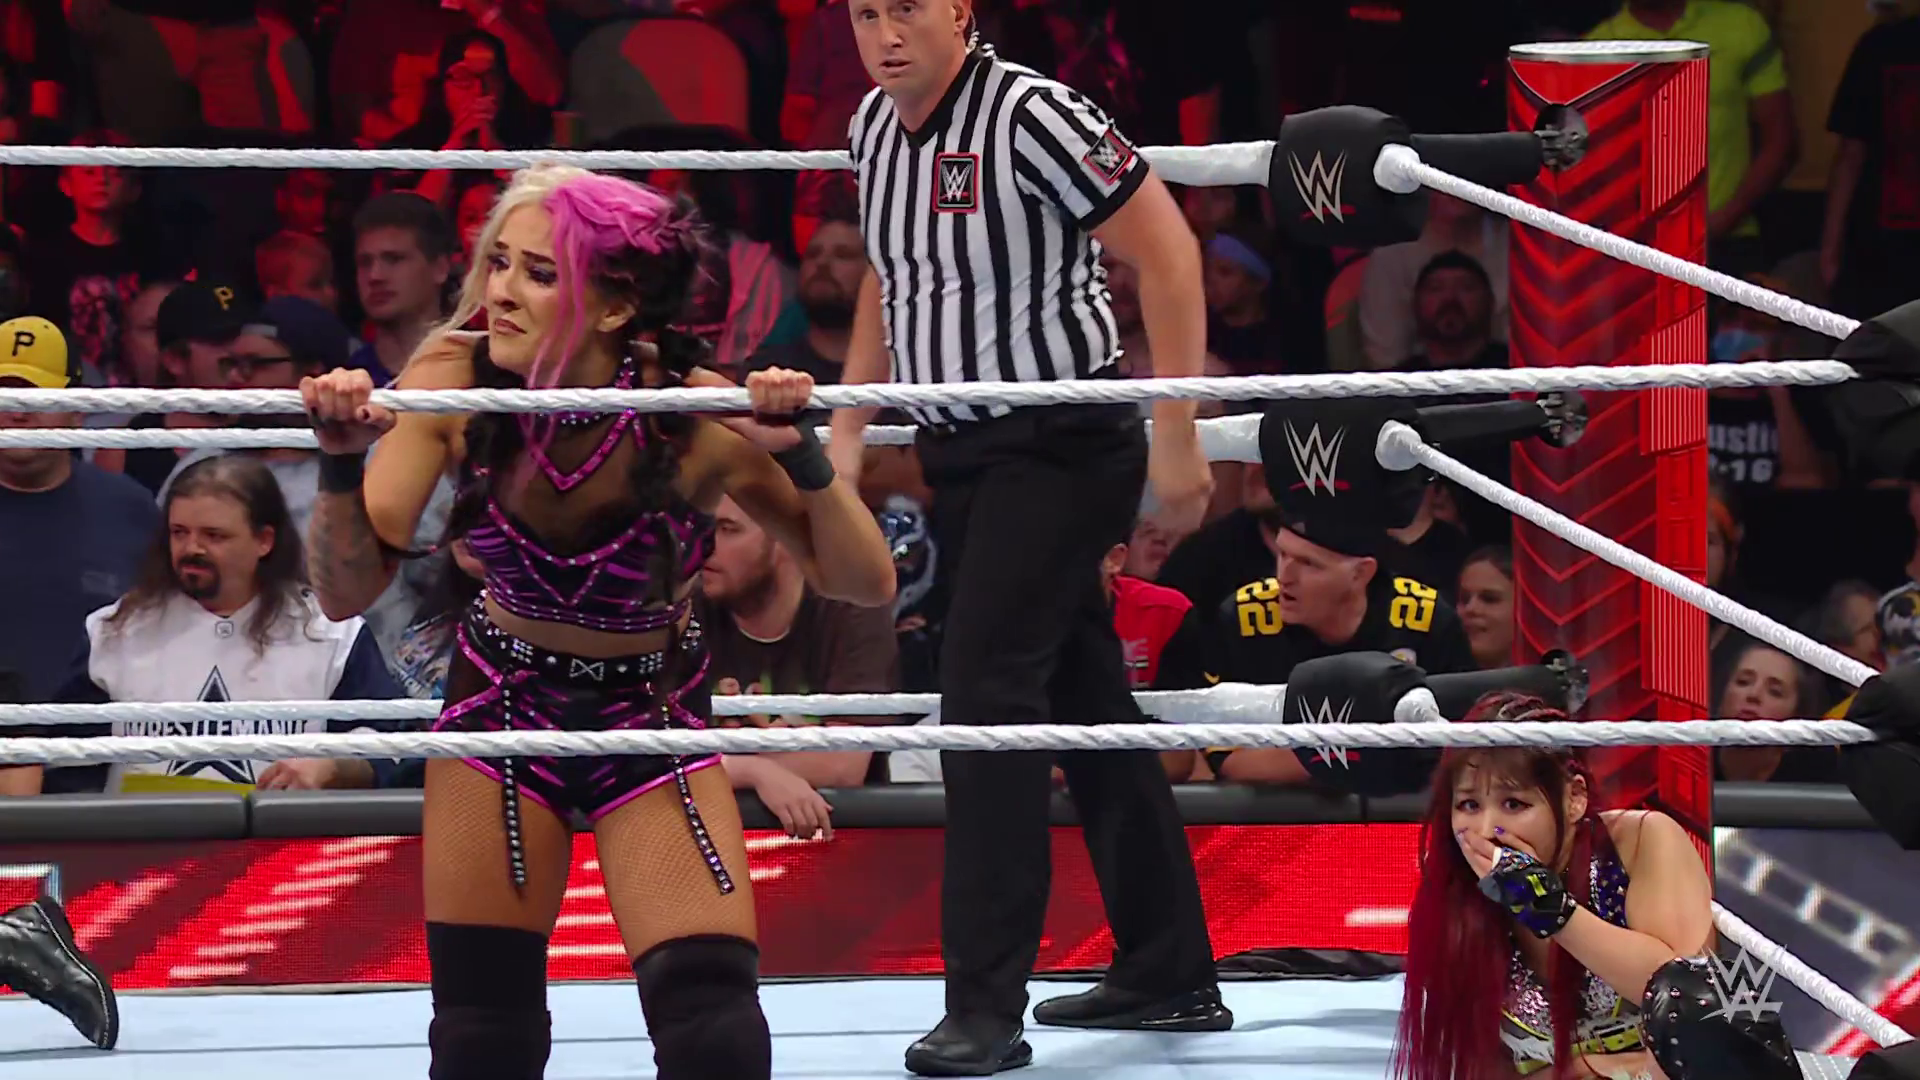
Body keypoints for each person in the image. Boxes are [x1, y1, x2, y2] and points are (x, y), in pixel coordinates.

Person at [300, 163, 895, 1080]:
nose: (502, 291)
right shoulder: (453, 380)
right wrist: (341, 464)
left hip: (647, 716)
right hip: (502, 706)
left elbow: (864, 580)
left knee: (717, 1038)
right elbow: (344, 591)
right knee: (482, 1040)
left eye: (539, 273)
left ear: (616, 307)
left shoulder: (688, 410)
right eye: (500, 262)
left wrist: (805, 455)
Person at [831, 2, 1224, 1072]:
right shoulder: (872, 127)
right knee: (1083, 696)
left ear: (960, 11)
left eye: (906, 9)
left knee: (985, 698)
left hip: (1062, 443)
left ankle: (984, 1007)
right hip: (961, 454)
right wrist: (849, 429)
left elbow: (1170, 252)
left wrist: (1177, 432)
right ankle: (1167, 968)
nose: (885, 34)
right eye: (865, 13)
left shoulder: (1034, 114)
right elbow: (889, 274)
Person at [1393, 691, 1799, 1080]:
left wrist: (1553, 911)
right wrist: (1584, 1069)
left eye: (1514, 804)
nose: (1487, 831)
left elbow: (1687, 999)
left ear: (1575, 798)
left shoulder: (1641, 843)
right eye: (1469, 805)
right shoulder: (1456, 895)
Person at [52, 455, 405, 795]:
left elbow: (391, 747)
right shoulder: (113, 629)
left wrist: (332, 767)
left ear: (264, 541)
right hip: (143, 833)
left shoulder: (333, 632)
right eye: (179, 532)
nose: (192, 548)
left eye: (214, 535)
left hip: (285, 834)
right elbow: (66, 767)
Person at [1156, 514, 1477, 785]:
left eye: (1309, 564)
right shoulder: (1244, 620)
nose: (1284, 577)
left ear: (1360, 573)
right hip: (1280, 822)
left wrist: (1328, 757)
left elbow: (1462, 749)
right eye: (1282, 554)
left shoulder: (1426, 621)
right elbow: (1229, 757)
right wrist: (1362, 757)